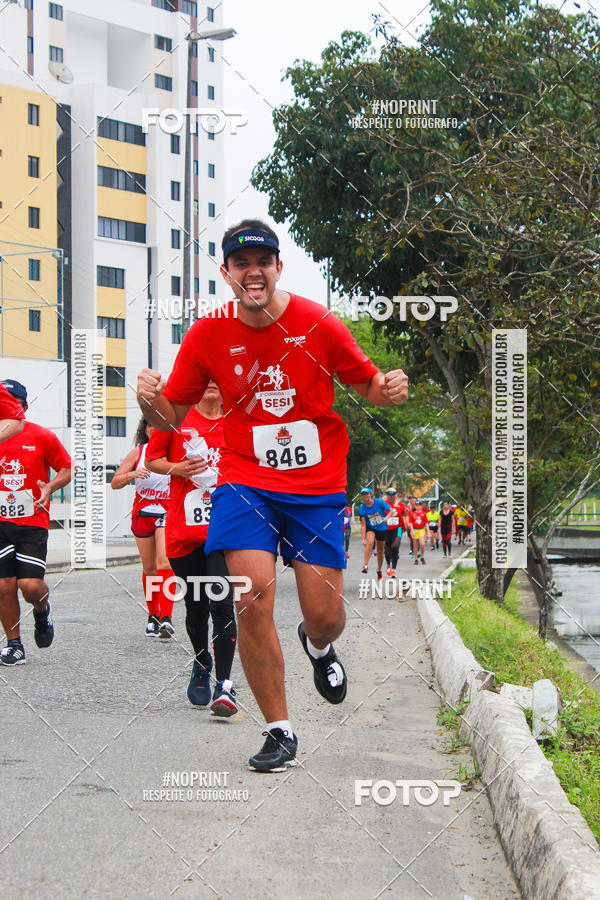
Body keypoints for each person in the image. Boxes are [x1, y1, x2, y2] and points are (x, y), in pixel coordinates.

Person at [137, 218, 408, 772]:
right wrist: (148, 402)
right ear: (227, 274)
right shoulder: (208, 334)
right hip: (244, 479)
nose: (253, 271)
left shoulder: (318, 323)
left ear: (278, 268)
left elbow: (369, 385)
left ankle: (320, 647)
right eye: (241, 263)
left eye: (263, 261)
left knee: (325, 613)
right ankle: (279, 730)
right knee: (250, 594)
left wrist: (390, 389)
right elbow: (172, 412)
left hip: (315, 485)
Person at [145, 382, 238, 715]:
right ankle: (202, 661)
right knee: (196, 606)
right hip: (184, 531)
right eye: (206, 376)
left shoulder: (238, 417)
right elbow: (152, 458)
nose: (213, 382)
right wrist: (178, 468)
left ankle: (225, 685)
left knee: (222, 603)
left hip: (225, 529)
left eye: (218, 375)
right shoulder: (175, 417)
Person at [0, 380, 73, 665]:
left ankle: (42, 611)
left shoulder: (41, 436)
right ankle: (14, 644)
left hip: (32, 522)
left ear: (23, 407)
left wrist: (51, 486)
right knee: (4, 586)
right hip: (1, 522)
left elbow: (67, 467)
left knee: (30, 586)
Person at [111, 418, 174, 638]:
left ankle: (167, 618)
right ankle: (153, 615)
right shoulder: (138, 453)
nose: (153, 428)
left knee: (164, 561)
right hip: (144, 512)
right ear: (145, 430)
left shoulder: (174, 450)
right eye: (149, 425)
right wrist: (132, 474)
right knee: (149, 568)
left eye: (158, 424)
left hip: (168, 511)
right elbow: (115, 482)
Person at [358, 487, 390, 579]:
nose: (365, 496)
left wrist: (386, 518)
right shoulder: (362, 509)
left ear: (370, 494)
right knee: (370, 543)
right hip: (370, 527)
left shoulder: (379, 502)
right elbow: (363, 525)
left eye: (367, 494)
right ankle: (365, 565)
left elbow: (391, 510)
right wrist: (363, 538)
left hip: (381, 528)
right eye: (363, 495)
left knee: (380, 551)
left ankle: (379, 569)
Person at [383, 488, 405, 576]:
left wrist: (405, 526)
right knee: (387, 549)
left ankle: (394, 570)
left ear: (395, 495)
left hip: (398, 528)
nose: (391, 497)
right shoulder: (383, 504)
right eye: (389, 495)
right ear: (387, 495)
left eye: (393, 495)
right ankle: (388, 564)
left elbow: (404, 515)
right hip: (386, 529)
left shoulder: (400, 504)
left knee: (395, 547)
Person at [407, 499, 429, 565]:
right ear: (415, 506)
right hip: (415, 530)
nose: (418, 507)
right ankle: (416, 558)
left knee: (422, 544)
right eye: (417, 505)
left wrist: (428, 531)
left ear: (421, 506)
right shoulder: (412, 514)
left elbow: (426, 523)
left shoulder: (424, 513)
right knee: (415, 545)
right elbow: (410, 523)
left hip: (421, 530)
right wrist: (412, 530)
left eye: (419, 505)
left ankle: (422, 556)